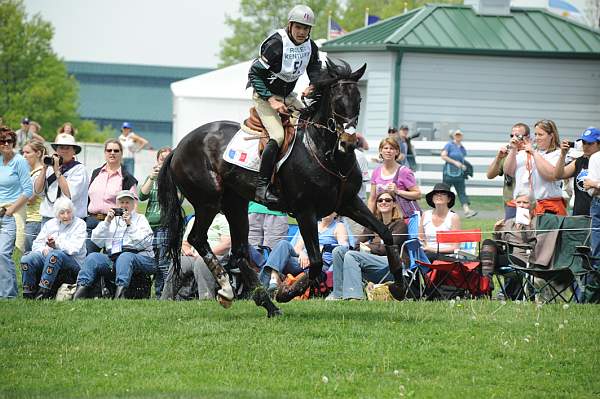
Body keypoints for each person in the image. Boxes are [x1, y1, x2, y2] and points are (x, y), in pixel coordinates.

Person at [247, 4, 321, 206]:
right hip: (265, 96)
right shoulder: (276, 44)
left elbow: (315, 68)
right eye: (298, 27)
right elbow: (254, 73)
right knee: (278, 136)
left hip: (288, 96)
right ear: (290, 25)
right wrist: (270, 99)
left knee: (309, 127)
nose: (302, 32)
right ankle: (262, 187)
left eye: (306, 28)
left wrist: (313, 85)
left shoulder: (310, 47)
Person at [73, 190, 155, 300]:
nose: (124, 205)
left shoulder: (140, 219)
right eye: (122, 203)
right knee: (93, 257)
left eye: (127, 203)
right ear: (117, 205)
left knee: (125, 257)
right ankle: (80, 293)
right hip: (114, 258)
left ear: (133, 204)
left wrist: (130, 224)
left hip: (140, 256)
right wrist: (106, 222)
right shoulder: (111, 221)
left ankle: (120, 295)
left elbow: (144, 243)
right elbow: (96, 240)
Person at [329, 191, 408, 300]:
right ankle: (338, 295)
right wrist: (371, 247)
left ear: (394, 204)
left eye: (388, 200)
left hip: (391, 263)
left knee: (352, 255)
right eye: (380, 200)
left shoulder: (400, 225)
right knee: (338, 251)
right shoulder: (374, 224)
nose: (383, 202)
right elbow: (357, 244)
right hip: (372, 260)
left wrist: (369, 247)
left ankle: (354, 296)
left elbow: (388, 248)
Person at [259, 213, 348, 294]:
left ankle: (262, 287)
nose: (327, 213)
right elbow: (297, 248)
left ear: (336, 213)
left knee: (279, 254)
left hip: (319, 264)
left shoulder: (338, 227)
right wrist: (302, 253)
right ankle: (274, 279)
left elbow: (344, 246)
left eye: (330, 209)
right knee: (283, 244)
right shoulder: (312, 225)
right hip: (301, 262)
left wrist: (318, 250)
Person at [20, 197, 86, 299]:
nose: (66, 216)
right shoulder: (50, 224)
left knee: (55, 254)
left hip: (74, 263)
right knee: (27, 258)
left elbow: (74, 249)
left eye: (69, 212)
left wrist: (56, 245)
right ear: (56, 214)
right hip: (49, 257)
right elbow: (36, 244)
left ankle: (43, 293)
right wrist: (43, 250)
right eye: (62, 213)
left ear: (73, 211)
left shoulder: (80, 224)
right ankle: (28, 294)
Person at [480, 191, 538, 300]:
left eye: (525, 202)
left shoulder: (537, 222)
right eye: (518, 202)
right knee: (488, 243)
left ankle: (485, 289)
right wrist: (497, 232)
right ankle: (487, 285)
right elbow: (498, 245)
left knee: (482, 260)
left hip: (524, 258)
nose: (521, 205)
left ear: (532, 205)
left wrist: (529, 226)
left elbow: (536, 244)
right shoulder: (509, 222)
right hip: (507, 254)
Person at [504, 119, 566, 216]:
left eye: (540, 135)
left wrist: (533, 153)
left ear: (551, 136)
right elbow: (508, 171)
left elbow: (551, 175)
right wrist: (513, 149)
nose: (537, 138)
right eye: (535, 134)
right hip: (522, 205)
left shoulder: (557, 154)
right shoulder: (524, 152)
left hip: (547, 206)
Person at [87, 139, 138, 255]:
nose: (112, 153)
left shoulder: (127, 178)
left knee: (112, 259)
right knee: (86, 257)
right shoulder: (96, 173)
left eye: (116, 150)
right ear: (105, 153)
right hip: (92, 222)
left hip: (114, 224)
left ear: (121, 153)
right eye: (109, 150)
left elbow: (133, 206)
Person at [161, 215, 229, 301]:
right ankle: (166, 298)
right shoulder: (194, 220)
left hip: (215, 256)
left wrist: (205, 254)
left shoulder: (222, 220)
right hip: (194, 256)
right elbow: (185, 243)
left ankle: (206, 298)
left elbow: (226, 244)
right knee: (179, 262)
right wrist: (186, 251)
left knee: (202, 261)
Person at [0, 126, 33, 298]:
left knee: (3, 254)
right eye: (2, 141)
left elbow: (28, 190)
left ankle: (8, 295)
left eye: (9, 141)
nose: (6, 144)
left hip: (10, 215)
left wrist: (11, 209)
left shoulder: (19, 161)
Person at [139, 147, 172, 297]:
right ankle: (158, 293)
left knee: (164, 262)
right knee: (154, 262)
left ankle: (167, 294)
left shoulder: (175, 178)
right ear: (157, 160)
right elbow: (142, 196)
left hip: (165, 226)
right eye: (161, 158)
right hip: (148, 227)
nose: (163, 161)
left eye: (167, 158)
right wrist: (152, 178)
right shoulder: (152, 177)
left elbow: (177, 199)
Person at [35, 134, 89, 224]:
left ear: (74, 151)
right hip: (49, 217)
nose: (63, 151)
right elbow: (37, 191)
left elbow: (70, 194)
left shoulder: (79, 169)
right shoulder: (49, 168)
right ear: (56, 150)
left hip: (70, 219)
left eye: (67, 148)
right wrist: (44, 168)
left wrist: (57, 171)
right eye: (61, 147)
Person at [368, 137, 421, 220]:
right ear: (380, 151)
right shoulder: (376, 172)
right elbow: (372, 198)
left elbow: (418, 194)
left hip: (403, 218)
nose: (388, 151)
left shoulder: (404, 172)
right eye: (385, 148)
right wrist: (369, 219)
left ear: (397, 152)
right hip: (382, 218)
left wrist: (398, 191)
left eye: (392, 148)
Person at [487, 123, 530, 220]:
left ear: (526, 137)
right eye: (512, 135)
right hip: (511, 201)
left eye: (518, 136)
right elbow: (490, 175)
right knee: (511, 232)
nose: (514, 138)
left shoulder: (531, 152)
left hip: (528, 201)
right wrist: (498, 158)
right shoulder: (507, 152)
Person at [554, 127, 600, 216]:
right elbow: (558, 175)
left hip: (596, 213)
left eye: (590, 143)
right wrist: (563, 154)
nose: (585, 146)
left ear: (599, 144)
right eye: (584, 143)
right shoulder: (580, 160)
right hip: (579, 213)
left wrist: (594, 184)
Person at [419, 183, 461, 261]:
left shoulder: (453, 217)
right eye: (436, 194)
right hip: (427, 255)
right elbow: (420, 239)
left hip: (447, 256)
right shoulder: (425, 215)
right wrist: (426, 248)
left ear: (449, 199)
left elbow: (455, 247)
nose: (439, 195)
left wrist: (433, 250)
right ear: (432, 198)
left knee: (428, 256)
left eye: (443, 193)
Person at [441, 129, 477, 218]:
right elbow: (443, 156)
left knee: (461, 192)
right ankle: (442, 211)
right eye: (456, 135)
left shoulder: (462, 148)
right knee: (445, 192)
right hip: (448, 173)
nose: (458, 136)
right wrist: (455, 162)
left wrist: (464, 166)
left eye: (459, 135)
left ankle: (467, 210)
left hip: (459, 174)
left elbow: (462, 159)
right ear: (453, 136)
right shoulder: (449, 145)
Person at [21, 140, 46, 253]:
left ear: (38, 153)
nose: (24, 156)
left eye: (27, 152)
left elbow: (30, 198)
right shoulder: (33, 173)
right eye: (23, 152)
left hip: (35, 220)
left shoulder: (39, 173)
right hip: (31, 219)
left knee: (30, 256)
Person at [583, 149, 600, 265]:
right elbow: (591, 191)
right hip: (597, 202)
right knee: (596, 246)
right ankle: (595, 279)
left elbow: (591, 185)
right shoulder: (595, 157)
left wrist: (596, 184)